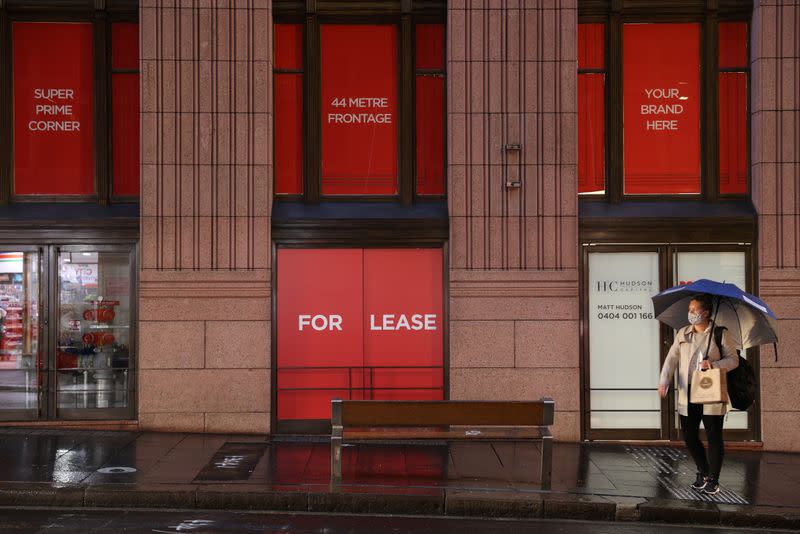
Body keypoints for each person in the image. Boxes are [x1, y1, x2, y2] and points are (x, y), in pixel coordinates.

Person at [658, 293, 739, 495]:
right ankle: (703, 471)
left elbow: (734, 360)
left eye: (695, 310)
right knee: (689, 436)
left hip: (710, 392)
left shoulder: (721, 334)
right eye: (690, 310)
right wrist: (664, 380)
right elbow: (671, 359)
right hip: (688, 392)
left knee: (713, 436)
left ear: (706, 312)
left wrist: (713, 364)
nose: (691, 313)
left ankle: (714, 479)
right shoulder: (683, 333)